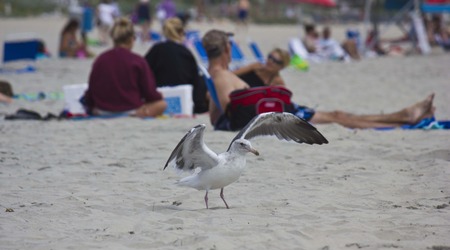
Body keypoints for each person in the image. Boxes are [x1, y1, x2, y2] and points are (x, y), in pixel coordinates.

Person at [202, 29, 436, 130]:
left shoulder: (217, 77)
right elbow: (232, 118)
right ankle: (404, 119)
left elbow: (218, 119)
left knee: (339, 115)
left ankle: (404, 117)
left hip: (273, 115)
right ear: (226, 48)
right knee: (339, 117)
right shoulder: (224, 77)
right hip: (277, 119)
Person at [84, 17, 167, 117]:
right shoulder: (137, 61)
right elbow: (149, 93)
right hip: (131, 110)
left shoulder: (100, 59)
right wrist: (159, 95)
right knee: (161, 104)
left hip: (103, 110)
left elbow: (91, 91)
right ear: (132, 39)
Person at [144, 17, 208, 114]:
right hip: (183, 97)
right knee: (201, 77)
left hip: (159, 97)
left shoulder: (156, 50)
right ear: (181, 33)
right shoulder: (186, 52)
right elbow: (195, 80)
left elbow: (144, 73)